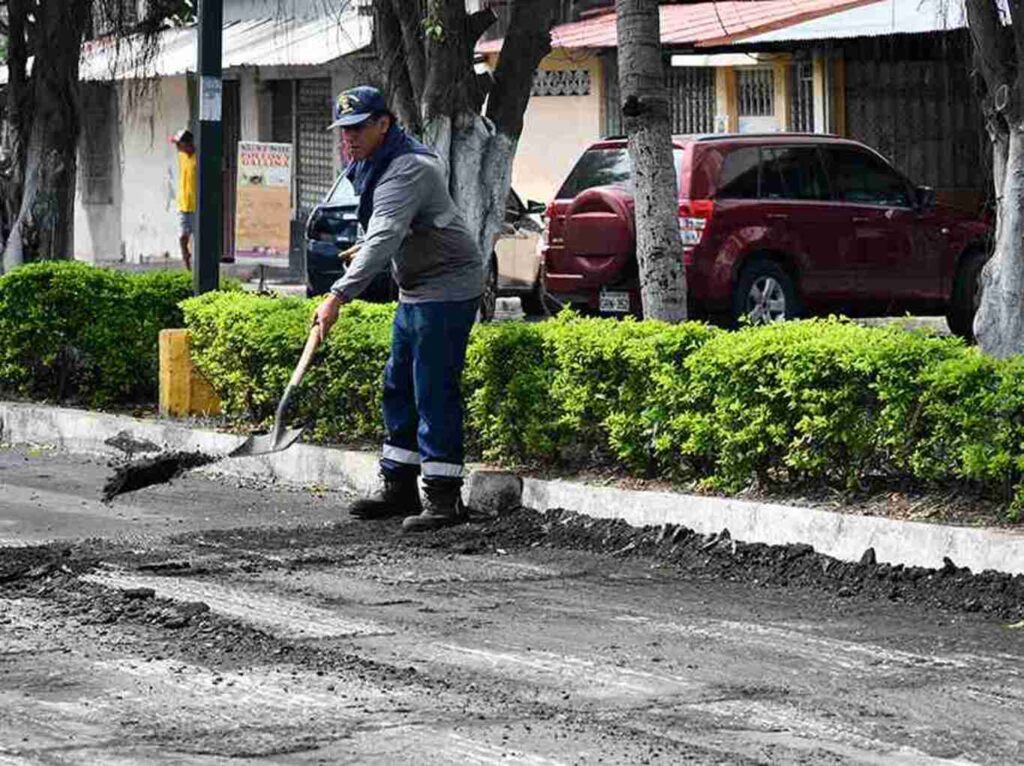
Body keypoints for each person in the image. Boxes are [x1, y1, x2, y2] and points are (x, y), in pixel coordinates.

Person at [314, 85, 483, 533]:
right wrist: (366, 247)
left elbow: (386, 234)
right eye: (342, 130)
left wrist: (338, 295)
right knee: (398, 384)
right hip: (416, 288)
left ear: (383, 124)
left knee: (432, 387)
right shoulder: (371, 162)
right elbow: (387, 232)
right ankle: (399, 487)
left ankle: (445, 499)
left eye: (356, 128)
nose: (347, 138)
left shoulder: (407, 167)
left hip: (447, 286)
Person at [171, 128, 197, 271]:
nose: (177, 147)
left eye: (179, 144)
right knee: (183, 237)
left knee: (197, 238)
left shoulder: (198, 159)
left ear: (187, 144)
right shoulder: (182, 156)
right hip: (184, 204)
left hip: (196, 205)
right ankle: (187, 268)